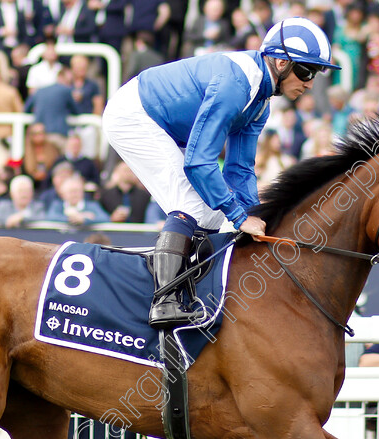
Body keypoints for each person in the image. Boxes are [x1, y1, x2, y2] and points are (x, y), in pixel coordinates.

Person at [102, 17, 340, 329]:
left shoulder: (260, 103)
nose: (310, 83)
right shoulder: (237, 85)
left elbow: (240, 168)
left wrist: (258, 215)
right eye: (306, 71)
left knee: (213, 216)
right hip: (134, 114)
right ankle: (165, 301)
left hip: (164, 123)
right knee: (193, 206)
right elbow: (200, 162)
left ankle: (193, 291)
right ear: (281, 62)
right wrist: (240, 218)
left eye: (315, 73)